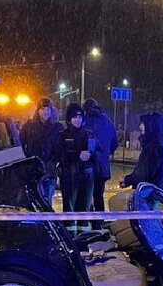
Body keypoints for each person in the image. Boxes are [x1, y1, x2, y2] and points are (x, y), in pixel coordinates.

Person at [58, 103, 95, 234]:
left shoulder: (89, 134)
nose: (77, 120)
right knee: (69, 207)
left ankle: (83, 236)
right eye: (74, 117)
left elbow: (98, 152)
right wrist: (77, 155)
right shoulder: (63, 135)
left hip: (87, 175)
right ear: (69, 118)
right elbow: (60, 154)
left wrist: (91, 155)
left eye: (80, 117)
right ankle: (70, 236)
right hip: (69, 175)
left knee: (84, 207)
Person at [83, 98, 119, 229]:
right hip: (103, 167)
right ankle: (99, 224)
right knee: (99, 196)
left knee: (85, 195)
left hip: (88, 165)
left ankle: (88, 224)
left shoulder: (85, 121)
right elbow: (115, 142)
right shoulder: (107, 121)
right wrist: (106, 153)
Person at [23, 99, 61, 202]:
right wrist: (28, 160)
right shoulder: (28, 127)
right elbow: (21, 145)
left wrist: (54, 161)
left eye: (47, 109)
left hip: (50, 168)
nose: (45, 112)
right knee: (33, 198)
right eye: (42, 109)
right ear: (38, 111)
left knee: (47, 198)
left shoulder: (57, 127)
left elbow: (61, 147)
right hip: (33, 168)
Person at [120, 112, 163, 191]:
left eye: (143, 123)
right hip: (155, 191)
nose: (140, 126)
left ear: (152, 126)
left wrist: (127, 180)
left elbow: (143, 174)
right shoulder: (160, 144)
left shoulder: (153, 147)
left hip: (147, 192)